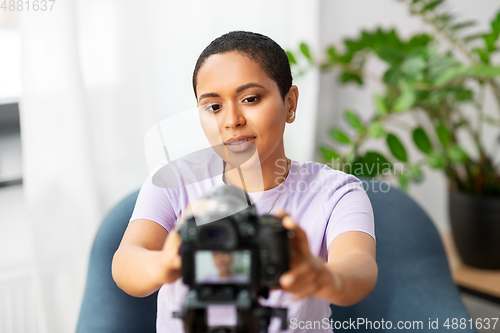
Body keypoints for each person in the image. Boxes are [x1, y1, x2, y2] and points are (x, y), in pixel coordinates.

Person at [112, 31, 377, 333]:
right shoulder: (173, 180)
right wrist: (167, 263)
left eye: (250, 99)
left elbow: (360, 268)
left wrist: (321, 276)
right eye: (214, 106)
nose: (231, 120)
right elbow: (126, 264)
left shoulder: (336, 191)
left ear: (290, 103)